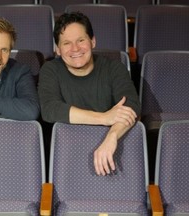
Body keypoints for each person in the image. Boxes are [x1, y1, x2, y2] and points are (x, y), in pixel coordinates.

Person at [38, 12, 141, 176]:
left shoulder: (114, 68)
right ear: (57, 49)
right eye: (66, 43)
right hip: (68, 159)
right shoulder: (50, 70)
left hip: (111, 156)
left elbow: (131, 106)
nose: (75, 49)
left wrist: (112, 136)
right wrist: (104, 117)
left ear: (92, 41)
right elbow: (50, 109)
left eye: (81, 40)